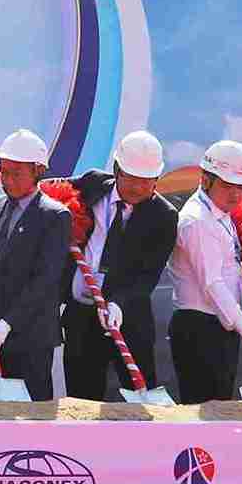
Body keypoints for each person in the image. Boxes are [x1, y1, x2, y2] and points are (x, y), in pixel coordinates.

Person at [58, 130, 179, 399]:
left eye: (147, 182)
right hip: (81, 318)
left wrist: (118, 304)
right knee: (82, 400)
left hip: (129, 321)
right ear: (116, 170)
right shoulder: (90, 185)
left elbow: (147, 276)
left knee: (139, 399)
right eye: (131, 179)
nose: (138, 188)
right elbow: (51, 193)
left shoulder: (165, 217)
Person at [0, 128, 71, 399]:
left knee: (27, 413)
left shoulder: (55, 216)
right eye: (4, 172)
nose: (8, 180)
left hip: (27, 335)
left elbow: (46, 278)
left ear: (37, 170)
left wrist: (9, 323)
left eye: (16, 173)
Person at [167, 139, 242, 403]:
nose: (235, 194)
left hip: (219, 327)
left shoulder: (220, 215)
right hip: (200, 328)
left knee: (219, 406)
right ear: (206, 179)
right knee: (205, 411)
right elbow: (212, 283)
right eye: (227, 185)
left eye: (241, 186)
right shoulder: (197, 221)